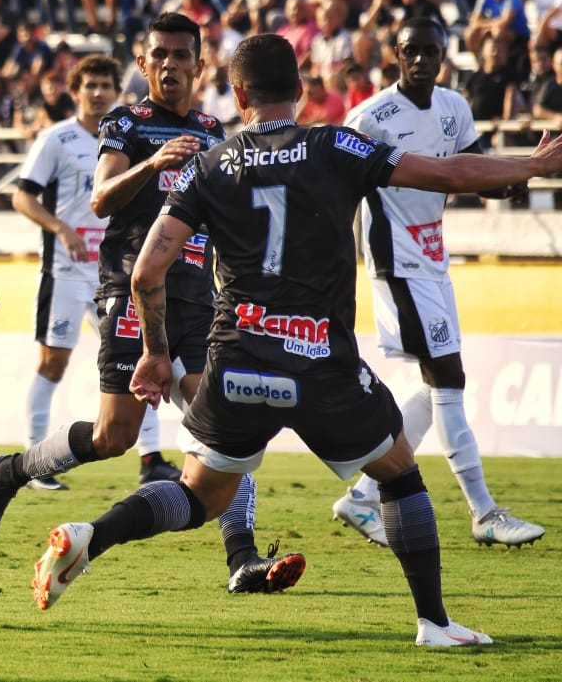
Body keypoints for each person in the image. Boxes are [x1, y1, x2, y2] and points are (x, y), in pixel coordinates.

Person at [31, 32, 562, 646]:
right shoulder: (337, 144)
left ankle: (91, 536)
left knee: (197, 497)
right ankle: (434, 623)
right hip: (320, 361)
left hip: (235, 359)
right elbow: (445, 172)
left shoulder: (211, 163)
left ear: (238, 94)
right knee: (397, 474)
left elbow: (147, 271)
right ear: (301, 91)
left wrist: (153, 351)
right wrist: (531, 164)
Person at [0, 14, 306, 596]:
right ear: (143, 61)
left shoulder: (212, 131)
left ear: (201, 66)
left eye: (183, 55)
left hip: (199, 300)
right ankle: (11, 472)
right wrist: (153, 165)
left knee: (223, 425)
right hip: (131, 293)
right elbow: (100, 199)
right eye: (160, 55)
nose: (171, 64)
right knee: (113, 437)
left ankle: (242, 559)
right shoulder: (126, 122)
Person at [330, 18, 546, 549]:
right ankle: (484, 512)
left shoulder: (454, 106)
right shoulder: (369, 118)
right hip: (395, 263)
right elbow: (336, 186)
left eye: (431, 51)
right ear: (396, 57)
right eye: (411, 51)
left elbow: (471, 171)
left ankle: (360, 496)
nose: (422, 60)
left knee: (438, 386)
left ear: (444, 56)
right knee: (448, 379)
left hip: (433, 259)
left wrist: (514, 180)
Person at [11, 55, 121, 492]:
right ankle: (35, 460)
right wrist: (61, 228)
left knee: (131, 361)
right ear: (74, 91)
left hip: (114, 273)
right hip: (65, 273)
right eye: (89, 85)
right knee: (53, 363)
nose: (97, 93)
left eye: (105, 85)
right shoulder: (56, 139)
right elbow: (23, 197)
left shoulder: (127, 139)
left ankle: (151, 459)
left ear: (117, 92)